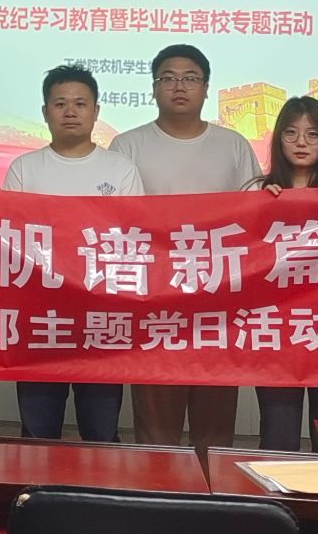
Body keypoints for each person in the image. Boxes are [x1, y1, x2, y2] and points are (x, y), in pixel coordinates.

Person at [110, 43, 260, 448]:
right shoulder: (127, 146)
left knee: (216, 424)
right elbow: (115, 224)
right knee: (155, 423)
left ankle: (212, 488)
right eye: (169, 78)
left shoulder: (233, 145)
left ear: (206, 88)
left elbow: (254, 219)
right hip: (153, 298)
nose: (179, 86)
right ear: (153, 87)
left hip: (217, 300)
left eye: (190, 78)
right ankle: (157, 487)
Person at [3, 64, 143, 443]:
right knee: (38, 432)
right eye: (60, 103)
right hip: (39, 318)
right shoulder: (24, 169)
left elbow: (131, 241)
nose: (70, 111)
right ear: (45, 111)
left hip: (101, 319)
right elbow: (11, 240)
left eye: (80, 103)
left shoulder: (121, 169)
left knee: (101, 432)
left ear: (96, 111)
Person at [251, 96, 318, 452]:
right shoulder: (256, 191)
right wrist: (259, 209)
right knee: (277, 437)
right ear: (278, 139)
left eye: (313, 134)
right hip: (276, 332)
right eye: (291, 133)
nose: (301, 142)